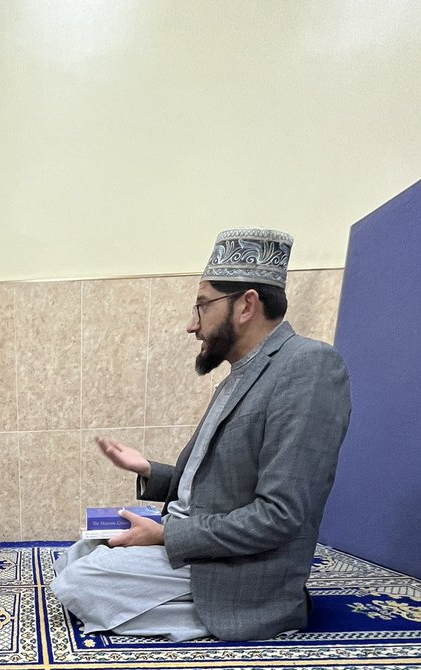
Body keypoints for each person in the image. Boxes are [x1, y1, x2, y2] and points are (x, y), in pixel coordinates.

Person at [52, 228, 351, 641]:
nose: (192, 325)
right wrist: (149, 470)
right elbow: (222, 481)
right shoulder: (243, 371)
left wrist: (164, 535)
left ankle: (248, 613)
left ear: (246, 305)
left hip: (236, 564)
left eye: (203, 306)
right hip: (197, 540)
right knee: (73, 557)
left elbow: (280, 516)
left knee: (78, 581)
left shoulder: (309, 366)